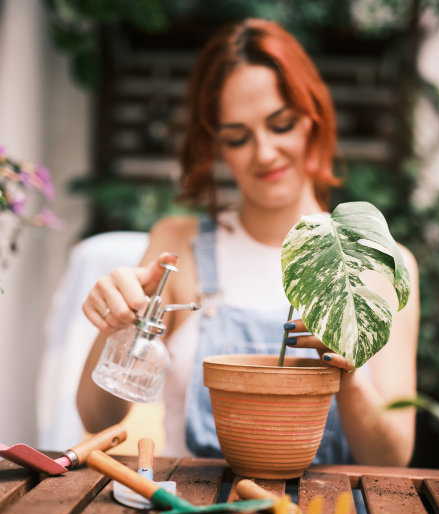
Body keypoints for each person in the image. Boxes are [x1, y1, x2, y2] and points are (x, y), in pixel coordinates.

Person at [77, 18, 419, 468]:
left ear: (312, 120)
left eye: (281, 124)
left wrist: (349, 374)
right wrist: (119, 324)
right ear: (215, 145)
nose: (263, 152)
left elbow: (392, 457)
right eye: (237, 137)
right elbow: (97, 416)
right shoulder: (177, 246)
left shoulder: (378, 263)